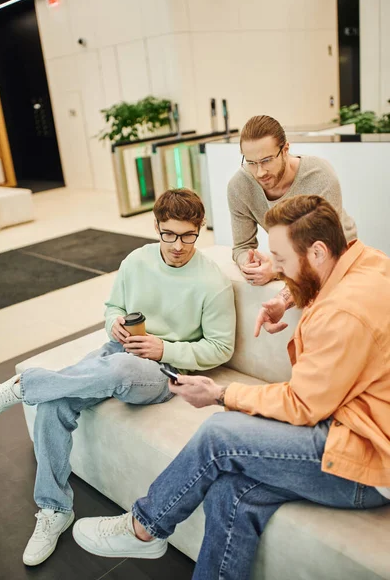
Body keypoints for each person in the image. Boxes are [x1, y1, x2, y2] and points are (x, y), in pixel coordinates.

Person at [72, 195, 390, 580]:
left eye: (282, 259)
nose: (277, 268)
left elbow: (303, 404)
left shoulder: (343, 314)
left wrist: (221, 394)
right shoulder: (367, 262)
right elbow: (322, 281)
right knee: (231, 491)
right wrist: (284, 297)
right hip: (352, 430)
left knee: (218, 433)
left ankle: (145, 527)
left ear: (318, 251)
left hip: (366, 460)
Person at [0, 188, 235, 567]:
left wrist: (163, 349)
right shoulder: (136, 261)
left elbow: (221, 348)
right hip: (117, 353)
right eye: (169, 234)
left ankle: (25, 385)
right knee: (57, 402)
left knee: (119, 368)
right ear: (156, 227)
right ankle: (54, 509)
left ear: (200, 229)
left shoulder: (212, 281)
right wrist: (114, 325)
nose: (178, 245)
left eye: (188, 235)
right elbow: (113, 308)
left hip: (164, 372)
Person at [228, 115, 357, 288]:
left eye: (266, 160)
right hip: (296, 256)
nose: (260, 172)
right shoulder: (239, 186)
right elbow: (242, 246)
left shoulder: (320, 176)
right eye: (251, 162)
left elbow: (326, 250)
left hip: (340, 252)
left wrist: (277, 268)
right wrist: (249, 263)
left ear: (285, 149)